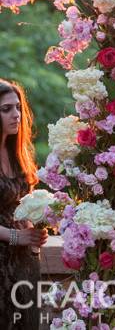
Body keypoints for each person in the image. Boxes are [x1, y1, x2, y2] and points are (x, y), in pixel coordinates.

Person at [0, 79, 47, 329]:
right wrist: (16, 236)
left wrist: (36, 231)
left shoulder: (17, 153)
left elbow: (23, 204)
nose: (16, 114)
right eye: (6, 109)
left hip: (23, 263)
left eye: (17, 107)